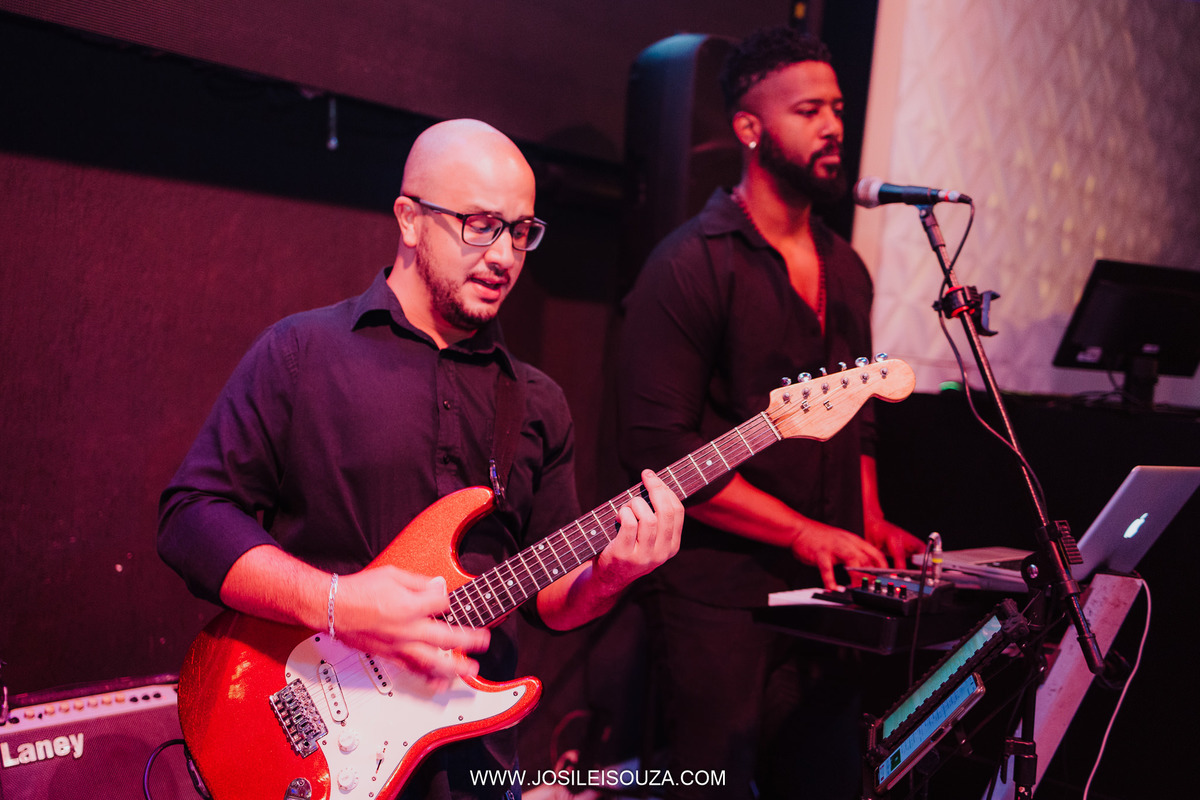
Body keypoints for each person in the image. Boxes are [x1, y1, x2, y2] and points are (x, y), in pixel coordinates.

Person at [159, 118, 682, 800]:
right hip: (315, 734)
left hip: (476, 758)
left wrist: (610, 578)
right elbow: (190, 518)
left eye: (522, 231)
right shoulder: (302, 353)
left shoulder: (538, 402)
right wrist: (336, 602)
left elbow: (553, 601)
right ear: (409, 219)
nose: (505, 255)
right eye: (480, 224)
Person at [616, 27, 924, 799]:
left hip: (824, 599)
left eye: (839, 108)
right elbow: (657, 451)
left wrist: (872, 519)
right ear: (750, 129)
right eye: (809, 109)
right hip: (716, 601)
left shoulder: (846, 267)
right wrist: (798, 529)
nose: (833, 127)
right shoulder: (691, 265)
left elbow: (860, 417)